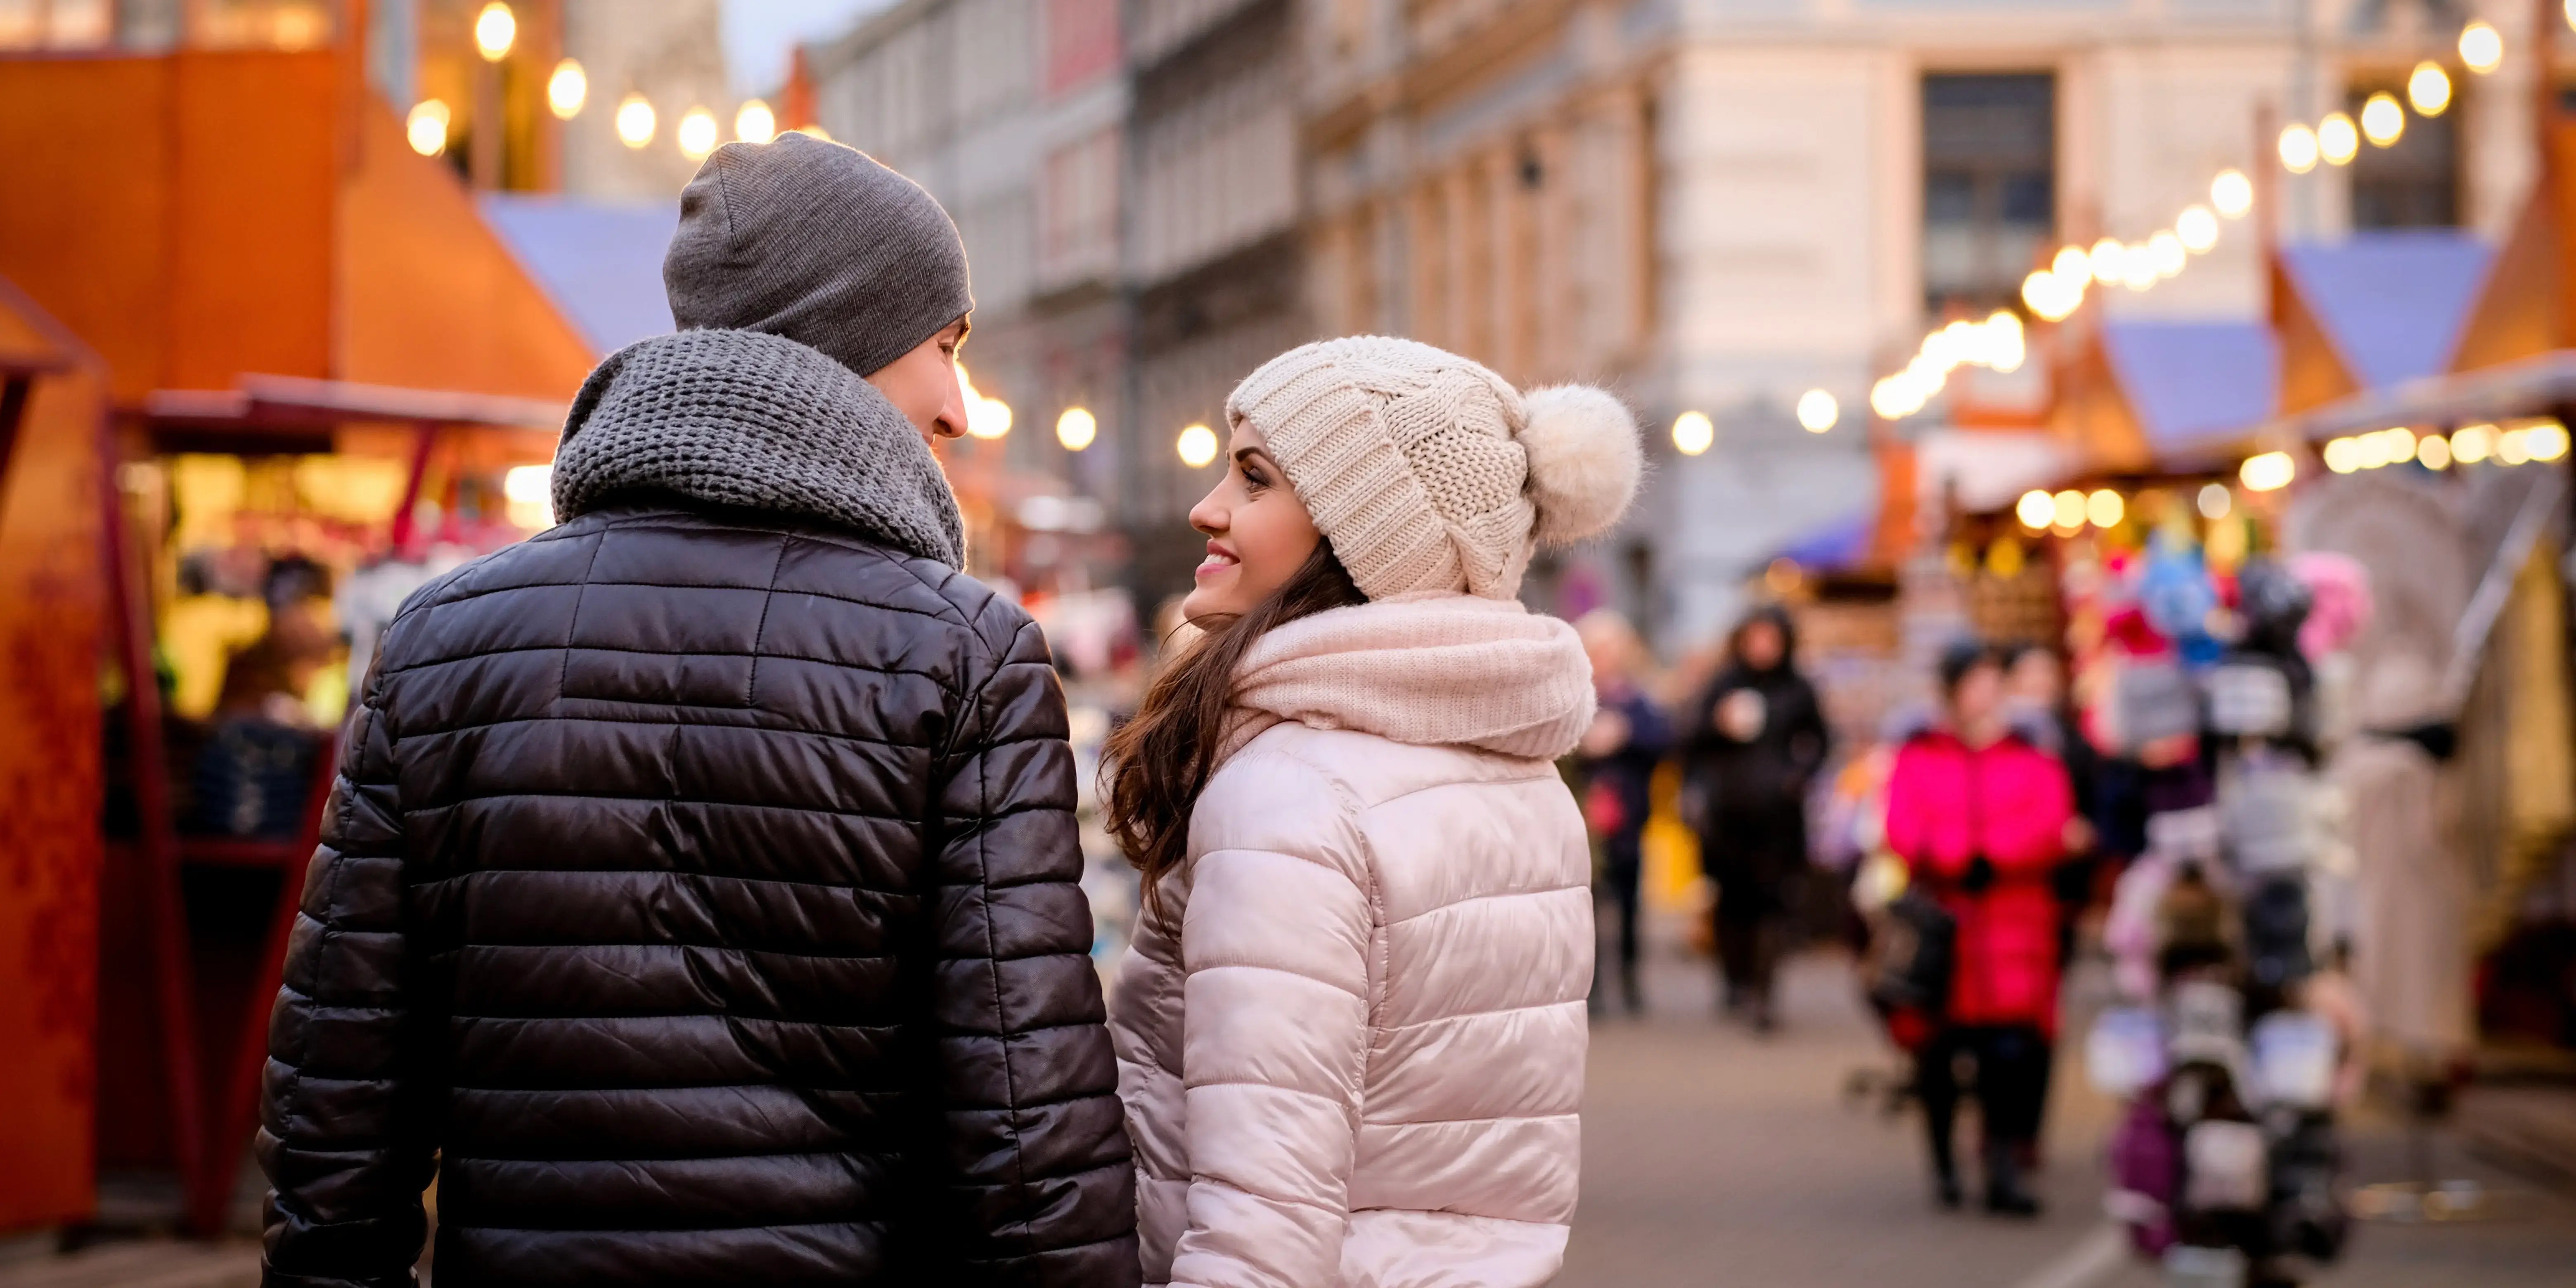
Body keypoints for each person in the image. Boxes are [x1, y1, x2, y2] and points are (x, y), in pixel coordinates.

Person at [257, 134, 1139, 1287]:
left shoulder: (436, 643)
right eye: (947, 344)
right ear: (852, 334)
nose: (962, 407)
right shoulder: (963, 655)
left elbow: (340, 1113)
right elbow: (1029, 1138)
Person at [1102, 337, 1641, 1288]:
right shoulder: (1521, 777)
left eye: (1255, 477)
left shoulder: (1288, 795)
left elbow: (1261, 1226)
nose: (1208, 506)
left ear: (1363, 535)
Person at [1883, 641, 2075, 1217]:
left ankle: (2001, 1169)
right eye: (1976, 682)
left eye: (1995, 682)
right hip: (1945, 936)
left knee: (2008, 1060)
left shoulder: (2033, 757)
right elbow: (1902, 824)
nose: (1986, 694)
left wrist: (1996, 856)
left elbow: (2050, 822)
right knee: (1938, 1059)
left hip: (2013, 932)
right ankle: (1944, 1163)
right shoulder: (1919, 756)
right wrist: (1953, 857)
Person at [1683, 603, 1828, 1030]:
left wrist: (1800, 777)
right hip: (1728, 816)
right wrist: (1718, 724)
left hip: (1778, 818)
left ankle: (1764, 991)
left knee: (1774, 903)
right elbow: (1689, 740)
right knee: (1733, 902)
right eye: (1756, 639)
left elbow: (1820, 741)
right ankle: (1735, 979)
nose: (1763, 648)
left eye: (1772, 640)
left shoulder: (1798, 689)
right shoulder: (1722, 686)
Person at [1575, 608, 1672, 1015]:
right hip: (1583, 819)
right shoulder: (1573, 696)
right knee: (1587, 905)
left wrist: (1625, 736)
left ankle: (1630, 980)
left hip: (1629, 816)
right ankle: (1591, 986)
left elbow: (1664, 741)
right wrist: (1585, 744)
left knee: (1630, 903)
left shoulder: (1636, 700)